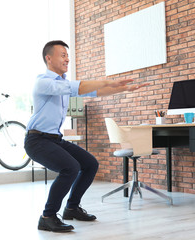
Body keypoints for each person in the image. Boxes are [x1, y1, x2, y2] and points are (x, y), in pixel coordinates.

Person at [24, 40, 149, 232]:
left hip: (53, 139)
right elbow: (81, 87)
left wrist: (122, 88)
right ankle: (47, 216)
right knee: (70, 168)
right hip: (37, 140)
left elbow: (94, 91)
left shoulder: (64, 83)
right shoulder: (43, 82)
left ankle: (72, 208)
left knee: (90, 164)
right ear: (49, 58)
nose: (67, 59)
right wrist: (109, 81)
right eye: (62, 55)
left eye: (67, 55)